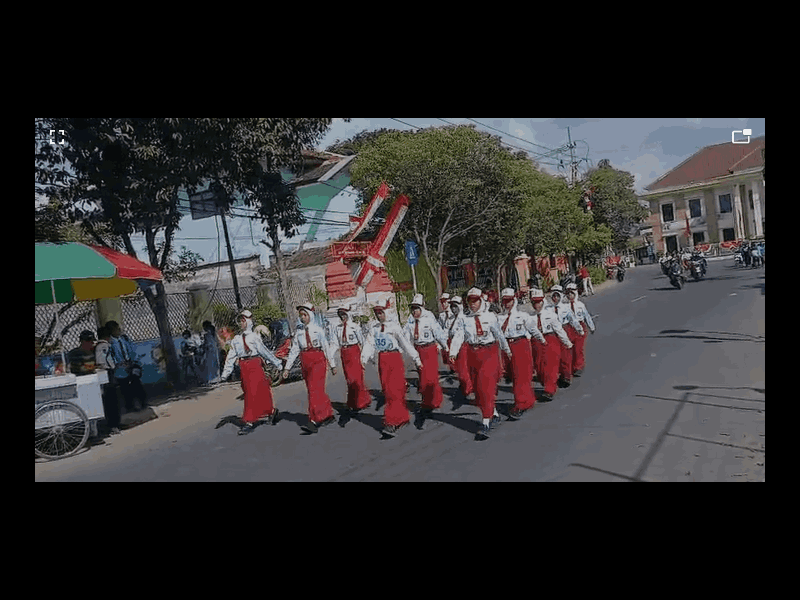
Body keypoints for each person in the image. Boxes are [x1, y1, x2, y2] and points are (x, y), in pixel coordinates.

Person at [449, 288, 512, 441]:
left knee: (486, 385)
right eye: (470, 301)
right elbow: (459, 335)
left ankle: (485, 421)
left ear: (481, 301)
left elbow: (498, 334)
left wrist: (506, 350)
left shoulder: (490, 316)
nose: (473, 304)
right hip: (473, 354)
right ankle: (493, 413)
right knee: (478, 388)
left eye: (475, 301)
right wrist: (453, 352)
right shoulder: (465, 319)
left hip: (489, 352)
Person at [361, 300, 422, 439]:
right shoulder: (374, 329)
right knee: (387, 390)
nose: (379, 316)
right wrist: (363, 359)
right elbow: (369, 344)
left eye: (381, 312)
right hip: (382, 360)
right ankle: (402, 417)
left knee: (394, 390)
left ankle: (391, 421)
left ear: (386, 312)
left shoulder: (394, 327)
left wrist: (416, 358)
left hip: (394, 359)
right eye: (377, 313)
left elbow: (405, 344)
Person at [220, 310, 284, 436]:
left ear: (249, 322)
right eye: (241, 321)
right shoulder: (237, 339)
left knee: (258, 391)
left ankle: (249, 421)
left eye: (244, 321)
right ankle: (271, 411)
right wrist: (225, 373)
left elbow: (264, 351)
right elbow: (231, 356)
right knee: (249, 391)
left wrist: (277, 363)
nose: (242, 323)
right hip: (244, 367)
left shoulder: (254, 337)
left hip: (255, 364)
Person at [283, 303, 338, 434]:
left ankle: (314, 420)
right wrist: (287, 368)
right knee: (314, 390)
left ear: (311, 316)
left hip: (317, 359)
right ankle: (327, 414)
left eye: (305, 315)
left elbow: (326, 347)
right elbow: (294, 350)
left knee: (314, 390)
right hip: (305, 360)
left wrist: (332, 364)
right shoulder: (299, 332)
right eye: (301, 315)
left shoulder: (318, 330)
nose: (303, 317)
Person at [498, 288, 546, 420]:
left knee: (521, 375)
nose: (507, 304)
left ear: (514, 300)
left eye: (509, 301)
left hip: (520, 344)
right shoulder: (499, 318)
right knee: (513, 376)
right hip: (506, 346)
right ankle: (528, 399)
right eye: (505, 301)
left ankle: (521, 403)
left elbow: (533, 329)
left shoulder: (522, 316)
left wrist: (542, 340)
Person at [404, 294, 449, 429]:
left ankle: (430, 403)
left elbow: (438, 333)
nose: (414, 311)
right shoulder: (410, 321)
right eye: (412, 309)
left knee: (430, 377)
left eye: (416, 308)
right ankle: (429, 400)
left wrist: (444, 346)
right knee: (423, 376)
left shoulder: (429, 318)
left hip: (429, 349)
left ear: (422, 307)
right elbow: (405, 335)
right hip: (418, 350)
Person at [529, 289, 572, 402]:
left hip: (550, 340)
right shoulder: (529, 317)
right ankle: (546, 382)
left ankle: (550, 390)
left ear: (543, 302)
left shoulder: (550, 315)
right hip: (536, 342)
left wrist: (566, 342)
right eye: (534, 302)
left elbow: (559, 329)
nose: (537, 305)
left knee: (550, 366)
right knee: (539, 367)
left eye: (539, 302)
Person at [334, 306, 371, 415]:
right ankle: (352, 402)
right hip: (344, 353)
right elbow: (335, 342)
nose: (343, 317)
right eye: (341, 315)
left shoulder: (354, 327)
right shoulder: (338, 328)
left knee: (357, 378)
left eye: (344, 314)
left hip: (354, 351)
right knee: (349, 379)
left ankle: (361, 401)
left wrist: (364, 356)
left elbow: (362, 341)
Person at [106, 320, 148, 413]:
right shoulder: (110, 343)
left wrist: (133, 361)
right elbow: (111, 357)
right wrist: (118, 364)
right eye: (116, 329)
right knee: (125, 388)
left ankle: (143, 403)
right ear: (111, 331)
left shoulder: (124, 339)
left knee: (137, 384)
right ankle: (130, 407)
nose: (119, 330)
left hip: (131, 365)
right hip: (120, 369)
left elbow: (131, 350)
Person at [548, 285, 584, 389]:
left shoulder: (565, 308)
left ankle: (566, 376)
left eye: (557, 296)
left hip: (565, 330)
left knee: (565, 355)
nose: (555, 298)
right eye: (553, 296)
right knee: (554, 356)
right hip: (553, 333)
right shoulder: (548, 309)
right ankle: (557, 374)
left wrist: (579, 329)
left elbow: (573, 320)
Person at [444, 296, 473, 399]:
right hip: (452, 342)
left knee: (463, 368)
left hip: (463, 345)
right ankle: (463, 386)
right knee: (457, 368)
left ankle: (467, 389)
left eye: (455, 306)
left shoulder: (465, 318)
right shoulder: (450, 319)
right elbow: (446, 330)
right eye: (452, 306)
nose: (453, 308)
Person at [565, 283, 595, 377]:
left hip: (580, 326)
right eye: (568, 294)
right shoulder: (565, 306)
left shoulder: (580, 305)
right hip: (569, 327)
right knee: (570, 348)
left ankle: (578, 366)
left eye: (572, 293)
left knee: (578, 348)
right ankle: (569, 367)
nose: (570, 296)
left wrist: (591, 326)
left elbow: (586, 316)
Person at [95, 325, 121, 434]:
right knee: (111, 400)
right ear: (107, 336)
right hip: (107, 374)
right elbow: (103, 361)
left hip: (107, 374)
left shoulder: (100, 346)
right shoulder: (103, 346)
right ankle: (113, 425)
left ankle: (114, 424)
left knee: (110, 400)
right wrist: (112, 367)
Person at [200, 321, 221, 385]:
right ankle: (215, 378)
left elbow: (206, 343)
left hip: (210, 350)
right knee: (214, 364)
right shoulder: (211, 333)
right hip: (213, 350)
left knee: (211, 365)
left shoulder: (207, 333)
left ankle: (212, 379)